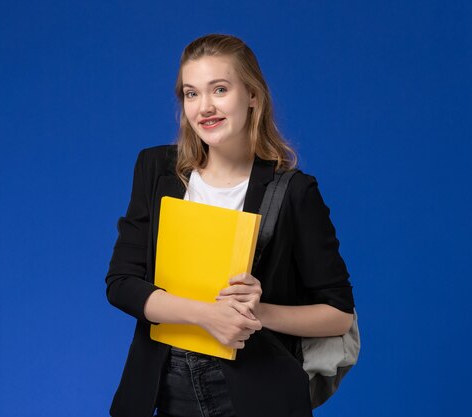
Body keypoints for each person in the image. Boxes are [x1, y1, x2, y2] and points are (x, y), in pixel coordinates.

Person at [105, 34, 355, 417]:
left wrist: (258, 312)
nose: (204, 107)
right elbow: (122, 284)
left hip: (256, 393)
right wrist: (208, 315)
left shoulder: (293, 192)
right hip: (166, 387)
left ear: (252, 95)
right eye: (191, 94)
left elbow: (339, 314)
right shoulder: (157, 170)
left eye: (219, 89)